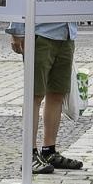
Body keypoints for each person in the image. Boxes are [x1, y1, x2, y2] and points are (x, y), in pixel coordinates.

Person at [7, 20, 84, 173]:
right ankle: (29, 154)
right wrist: (16, 31)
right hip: (40, 34)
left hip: (66, 35)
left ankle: (49, 151)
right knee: (34, 95)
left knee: (57, 94)